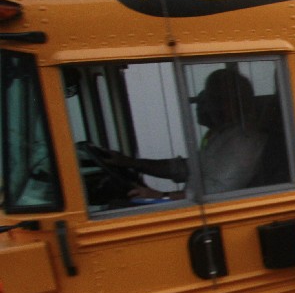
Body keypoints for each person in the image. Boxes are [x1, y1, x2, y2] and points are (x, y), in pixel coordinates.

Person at [101, 69, 267, 200]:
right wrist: (130, 163)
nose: (204, 104)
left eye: (210, 98)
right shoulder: (219, 135)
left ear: (229, 101)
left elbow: (219, 192)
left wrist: (162, 196)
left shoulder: (244, 141)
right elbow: (187, 168)